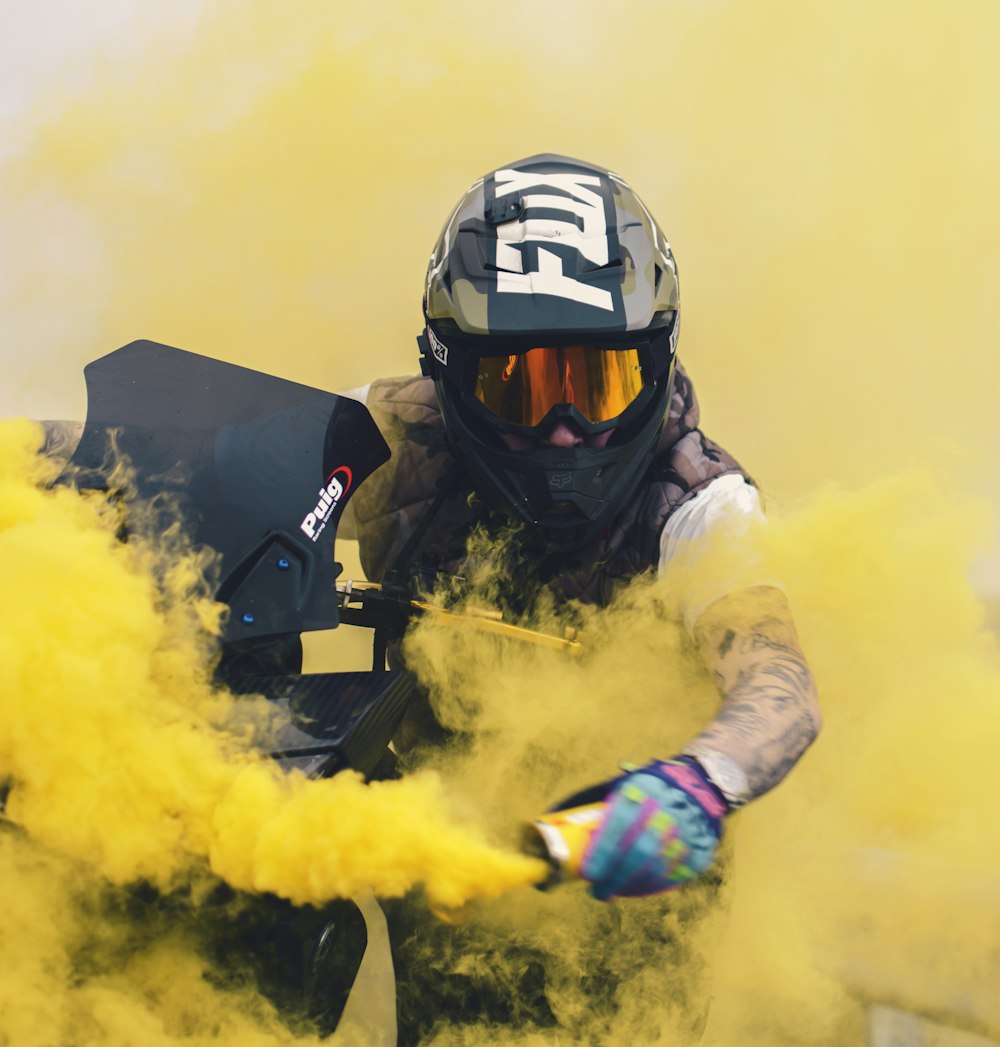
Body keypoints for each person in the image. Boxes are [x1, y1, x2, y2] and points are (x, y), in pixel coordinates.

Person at [345, 152, 822, 902]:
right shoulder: (395, 439)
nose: (563, 431)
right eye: (521, 386)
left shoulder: (700, 502)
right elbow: (201, 461)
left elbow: (781, 683)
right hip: (439, 863)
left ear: (656, 363)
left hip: (633, 896)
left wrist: (700, 785)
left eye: (599, 385)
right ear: (449, 370)